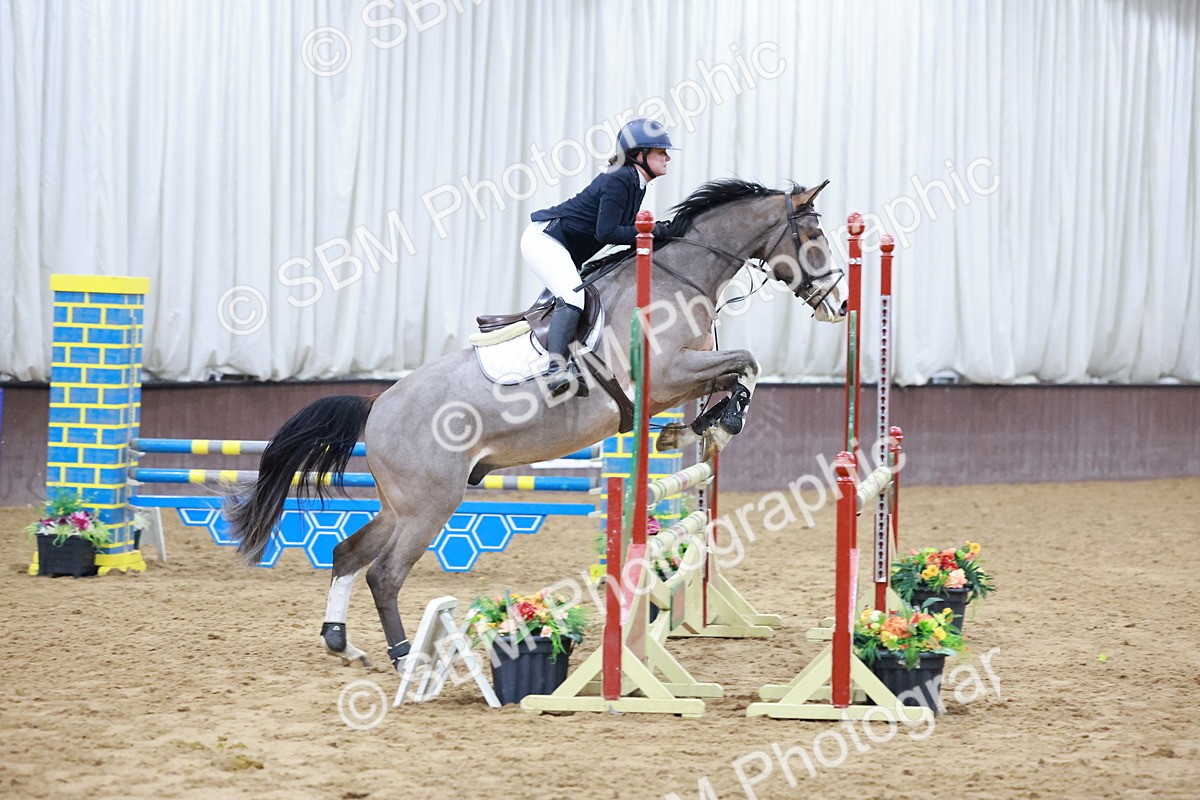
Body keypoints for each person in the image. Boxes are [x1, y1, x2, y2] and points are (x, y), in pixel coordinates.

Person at [522, 117, 678, 397]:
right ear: (639, 155)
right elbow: (607, 232)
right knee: (573, 297)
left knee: (580, 297)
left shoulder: (636, 182)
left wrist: (658, 232)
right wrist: (655, 230)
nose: (667, 157)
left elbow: (622, 231)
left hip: (562, 246)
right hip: (544, 239)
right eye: (661, 151)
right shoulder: (620, 178)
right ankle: (555, 371)